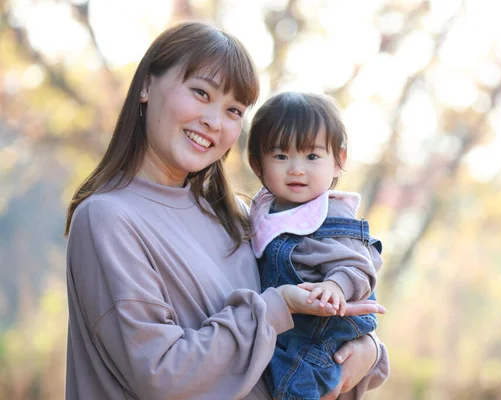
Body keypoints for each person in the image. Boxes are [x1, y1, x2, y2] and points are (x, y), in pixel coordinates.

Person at [64, 21, 389, 400]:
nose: (214, 122)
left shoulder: (239, 217)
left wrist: (367, 353)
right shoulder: (108, 219)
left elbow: (295, 352)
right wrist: (275, 308)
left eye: (234, 110)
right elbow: (161, 376)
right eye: (201, 93)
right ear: (147, 86)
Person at [246, 92, 384, 400]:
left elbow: (358, 266)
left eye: (311, 156)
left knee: (294, 386)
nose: (296, 168)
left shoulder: (331, 216)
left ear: (339, 161)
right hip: (283, 332)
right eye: (281, 156)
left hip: (320, 337)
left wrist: (335, 285)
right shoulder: (263, 211)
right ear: (257, 163)